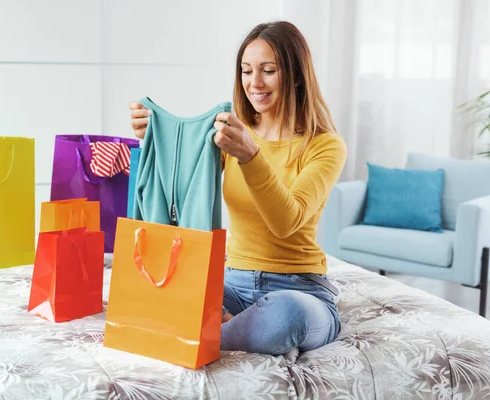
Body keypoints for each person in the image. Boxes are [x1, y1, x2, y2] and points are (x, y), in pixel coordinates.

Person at [129, 21, 347, 356]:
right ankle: (235, 326)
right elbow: (183, 181)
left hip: (300, 288)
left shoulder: (325, 146)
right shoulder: (233, 133)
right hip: (233, 283)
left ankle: (210, 329)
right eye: (246, 71)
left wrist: (250, 156)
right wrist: (154, 136)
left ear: (296, 74)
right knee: (155, 292)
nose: (254, 83)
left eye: (268, 70)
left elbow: (287, 221)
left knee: (286, 315)